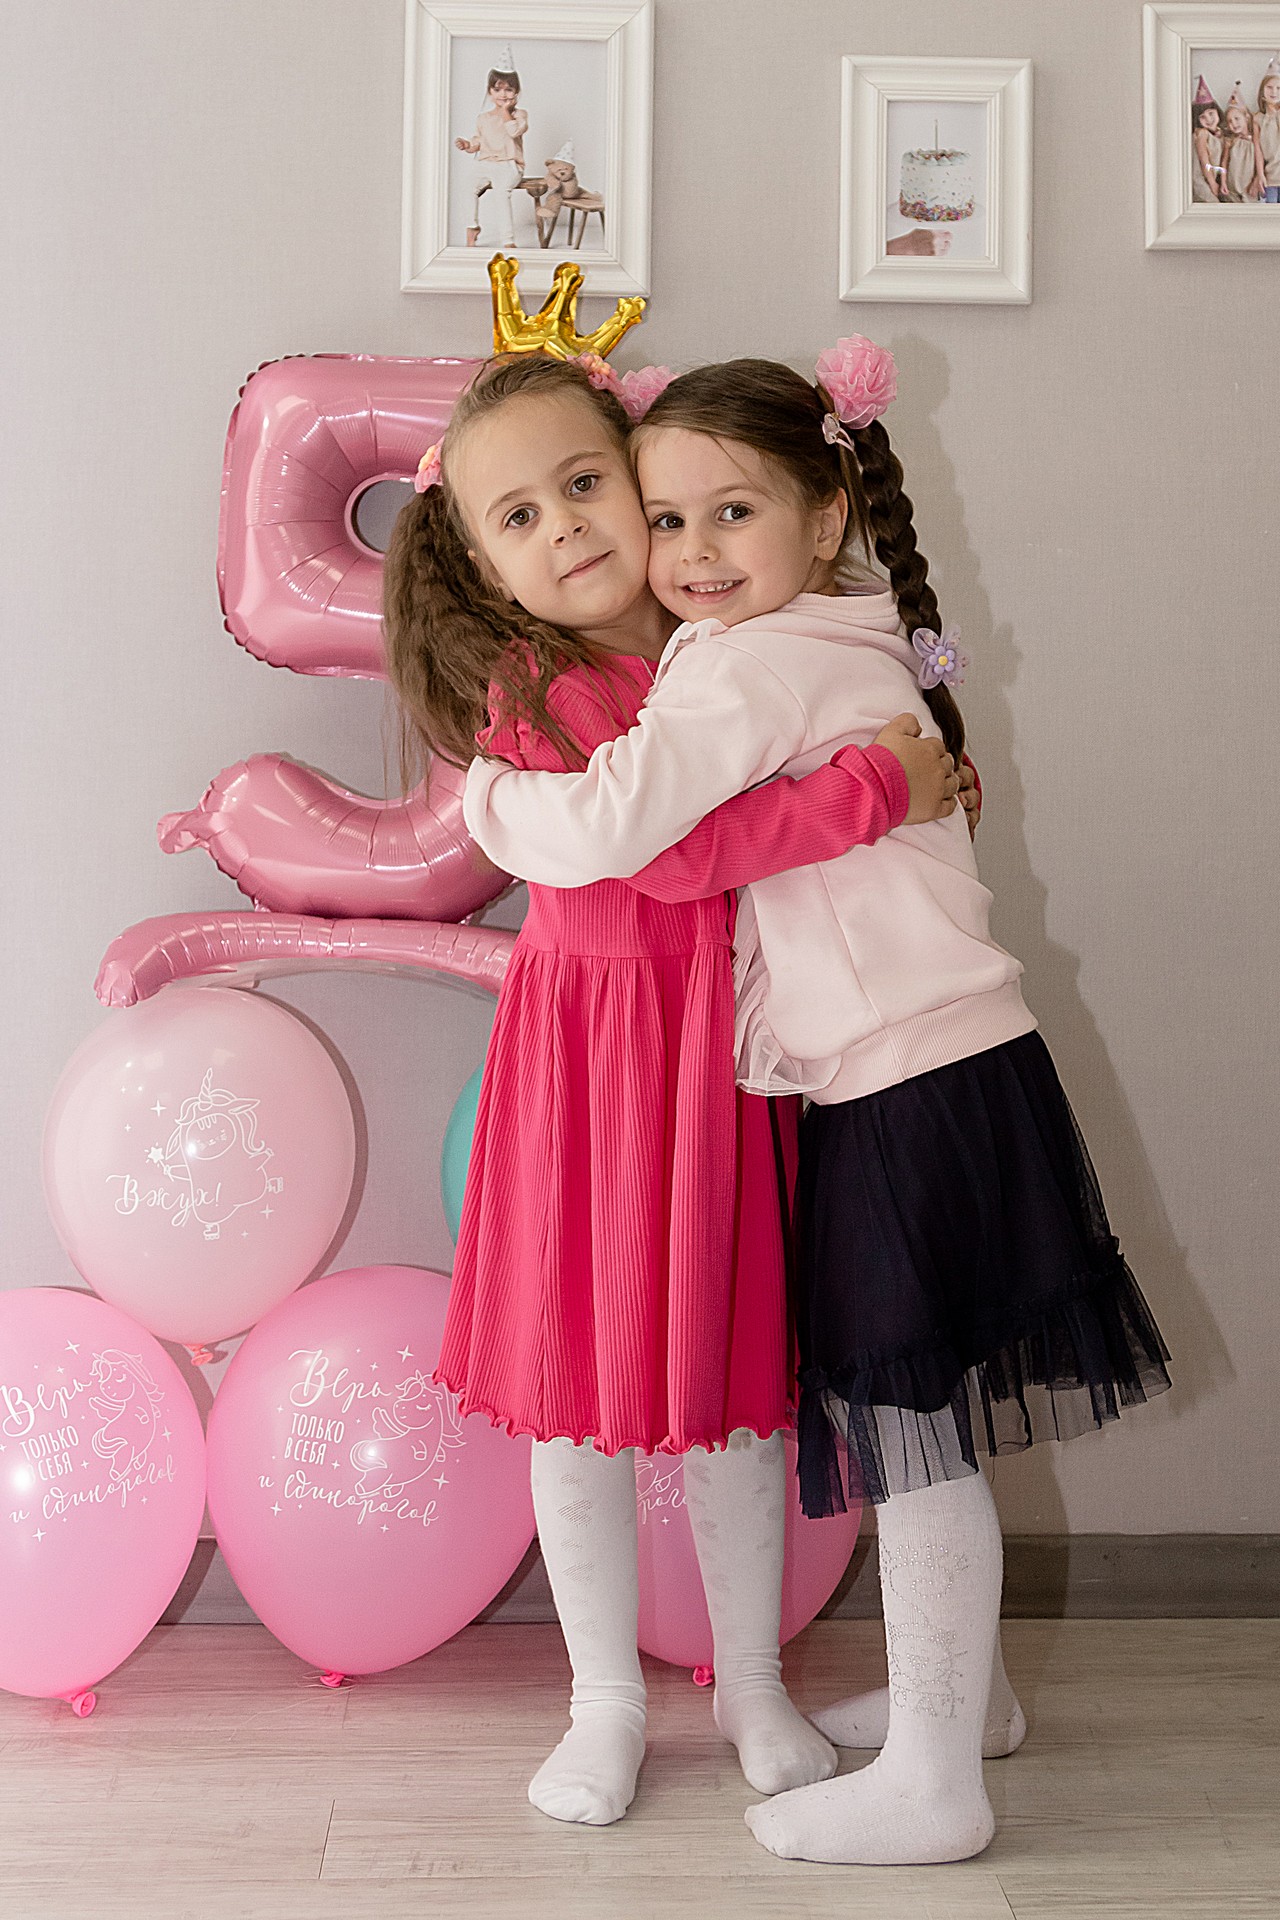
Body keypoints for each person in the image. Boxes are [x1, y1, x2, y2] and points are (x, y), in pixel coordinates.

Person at [461, 339, 1173, 1867]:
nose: (673, 545)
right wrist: (889, 786)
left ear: (826, 506)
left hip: (852, 1072)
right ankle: (935, 1709)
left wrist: (496, 806)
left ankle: (905, 1752)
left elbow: (654, 846)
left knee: (897, 1427)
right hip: (771, 1063)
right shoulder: (795, 638)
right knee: (900, 1420)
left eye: (711, 511)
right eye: (671, 517)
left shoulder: (739, 657)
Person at [382, 353, 967, 1830]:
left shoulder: (730, 641)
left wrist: (912, 777)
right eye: (520, 516)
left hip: (722, 1042)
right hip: (589, 1056)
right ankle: (604, 1700)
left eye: (586, 484)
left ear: (640, 479)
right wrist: (874, 791)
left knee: (737, 1383)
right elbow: (666, 852)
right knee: (575, 1398)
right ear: (480, 557)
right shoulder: (529, 684)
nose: (568, 528)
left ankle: (751, 1681)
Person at [455, 49, 528, 248]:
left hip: (509, 165)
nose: (503, 94)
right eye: (497, 90)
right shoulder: (483, 118)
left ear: (516, 93)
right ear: (490, 92)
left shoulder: (519, 115)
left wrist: (505, 111)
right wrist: (468, 145)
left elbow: (514, 131)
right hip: (486, 163)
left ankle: (508, 240)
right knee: (466, 187)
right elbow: (478, 142)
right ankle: (472, 227)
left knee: (501, 194)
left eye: (508, 90)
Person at [1223, 89, 1261, 201]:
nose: (1233, 124)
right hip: (1231, 189)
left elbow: (1261, 163)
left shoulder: (1255, 140)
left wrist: (1256, 181)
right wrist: (1223, 182)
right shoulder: (1231, 141)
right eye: (1230, 121)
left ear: (1246, 117)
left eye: (1236, 119)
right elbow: (1224, 163)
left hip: (1249, 189)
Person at [1192, 91, 1227, 202]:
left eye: (1211, 113)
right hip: (1200, 180)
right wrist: (1212, 183)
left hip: (1212, 178)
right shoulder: (1202, 133)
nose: (1208, 119)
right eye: (1202, 117)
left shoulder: (1220, 134)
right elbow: (1204, 159)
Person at [1253, 58, 1280, 203]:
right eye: (1269, 87)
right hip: (1270, 177)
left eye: (1278, 88)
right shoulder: (1258, 119)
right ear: (1262, 90)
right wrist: (1260, 174)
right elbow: (1258, 149)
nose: (1274, 92)